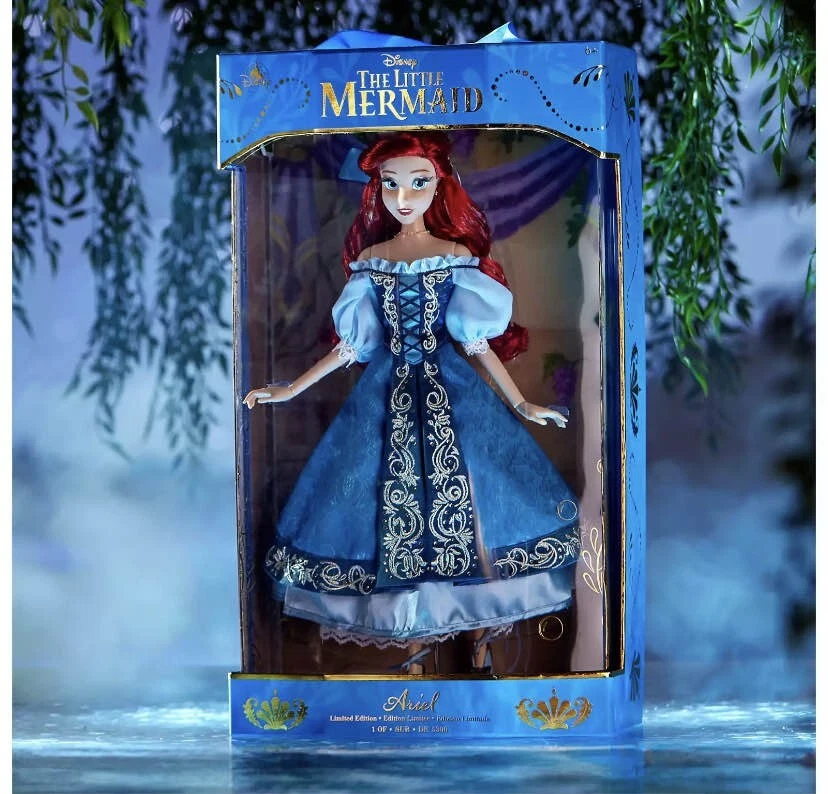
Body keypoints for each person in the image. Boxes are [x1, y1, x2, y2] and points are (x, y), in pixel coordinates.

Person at [244, 131, 579, 669]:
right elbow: (352, 347)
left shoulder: (455, 257)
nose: (403, 198)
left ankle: (475, 646)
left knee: (469, 506)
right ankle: (413, 648)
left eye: (418, 183)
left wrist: (522, 405)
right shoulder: (371, 261)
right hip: (385, 395)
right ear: (376, 188)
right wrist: (291, 387)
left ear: (440, 186)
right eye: (391, 184)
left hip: (452, 393)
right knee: (384, 510)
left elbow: (476, 343)